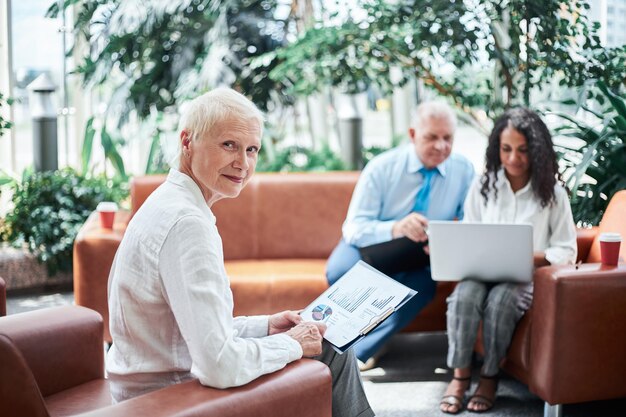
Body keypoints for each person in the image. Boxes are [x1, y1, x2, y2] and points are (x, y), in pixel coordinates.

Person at [106, 87, 375, 417]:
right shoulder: (187, 224)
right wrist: (293, 343)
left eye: (252, 149)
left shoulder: (169, 202)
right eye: (229, 145)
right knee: (333, 349)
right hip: (173, 396)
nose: (243, 163)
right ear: (187, 142)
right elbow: (218, 366)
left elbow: (183, 332)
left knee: (322, 341)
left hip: (150, 382)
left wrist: (266, 327)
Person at [439, 108, 577, 414]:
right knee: (464, 297)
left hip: (525, 278)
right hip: (480, 273)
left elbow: (567, 249)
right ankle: (460, 376)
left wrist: (531, 257)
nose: (514, 158)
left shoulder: (553, 193)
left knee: (502, 300)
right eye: (506, 149)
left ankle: (489, 376)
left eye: (523, 150)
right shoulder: (484, 185)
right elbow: (469, 233)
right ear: (496, 149)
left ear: (537, 151)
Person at [326, 101, 475, 370]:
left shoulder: (463, 170)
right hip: (375, 244)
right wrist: (395, 228)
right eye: (432, 137)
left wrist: (447, 241)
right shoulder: (381, 167)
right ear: (412, 134)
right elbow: (354, 228)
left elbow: (471, 221)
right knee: (338, 270)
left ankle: (355, 353)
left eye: (447, 138)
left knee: (422, 288)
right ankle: (353, 343)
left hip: (424, 253)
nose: (441, 146)